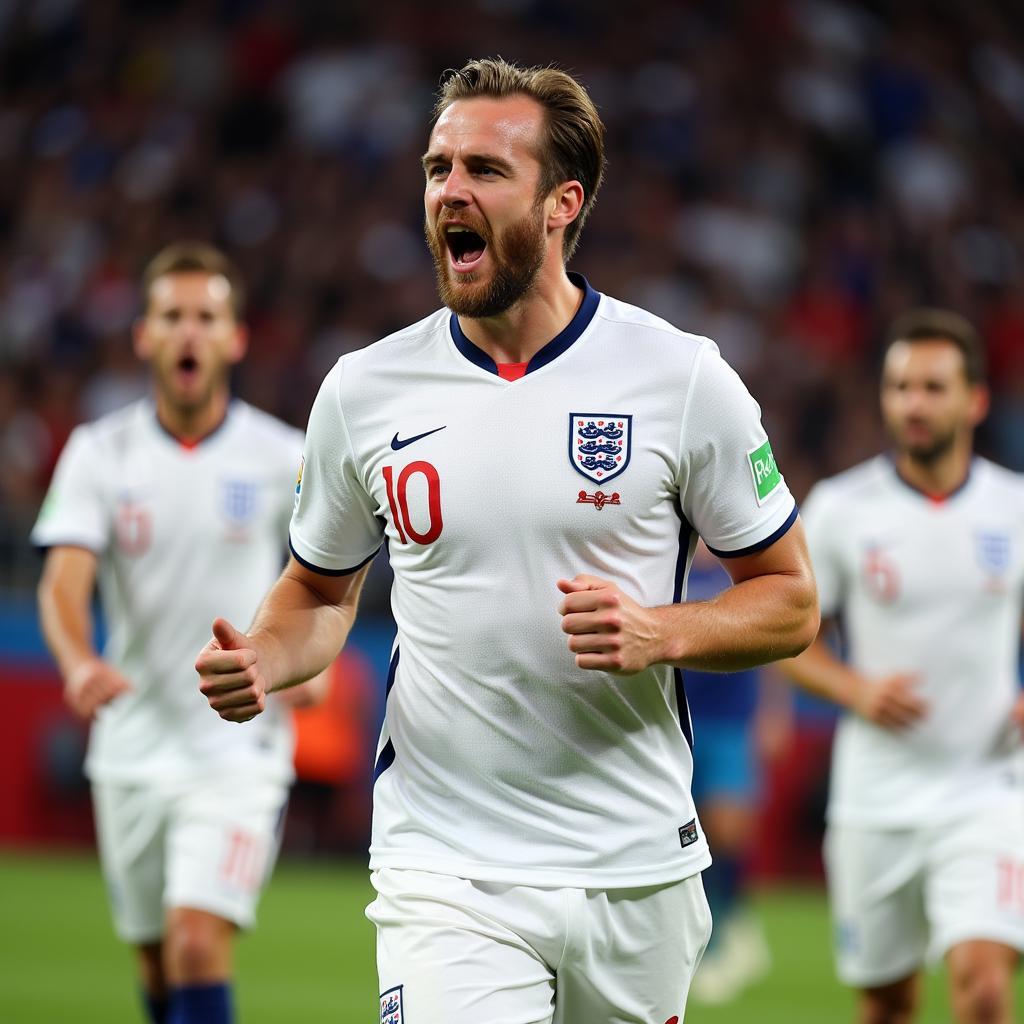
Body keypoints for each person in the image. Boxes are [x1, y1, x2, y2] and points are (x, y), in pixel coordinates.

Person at [196, 58, 818, 1024]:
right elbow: (317, 595)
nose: (450, 190)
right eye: (438, 167)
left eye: (485, 169)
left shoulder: (682, 379)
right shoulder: (364, 391)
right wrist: (264, 660)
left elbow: (793, 600)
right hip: (446, 865)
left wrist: (664, 631)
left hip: (635, 867)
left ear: (562, 202)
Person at [33, 242, 324, 1024]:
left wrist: (303, 665)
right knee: (160, 966)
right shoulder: (100, 452)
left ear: (233, 338)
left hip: (239, 746)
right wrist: (77, 660)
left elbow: (323, 585)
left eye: (206, 317)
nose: (188, 333)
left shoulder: (283, 456)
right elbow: (64, 580)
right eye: (172, 317)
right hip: (131, 745)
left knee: (197, 942)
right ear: (144, 336)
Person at [779, 308, 1024, 1024]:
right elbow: (790, 638)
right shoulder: (840, 510)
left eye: (932, 387)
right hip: (876, 798)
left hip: (987, 786)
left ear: (974, 399)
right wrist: (855, 688)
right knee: (887, 1004)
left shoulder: (1013, 508)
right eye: (900, 387)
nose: (913, 403)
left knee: (981, 984)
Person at [685, 543, 784, 1004]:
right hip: (677, 717)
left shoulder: (742, 559)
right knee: (689, 835)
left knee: (726, 830)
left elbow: (773, 641)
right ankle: (714, 934)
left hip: (730, 718)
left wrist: (773, 711)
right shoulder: (667, 554)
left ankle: (726, 928)